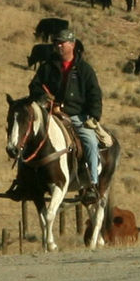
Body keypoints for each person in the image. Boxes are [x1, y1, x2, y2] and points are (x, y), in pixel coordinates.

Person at [28, 29, 102, 204]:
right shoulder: (47, 67)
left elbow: (94, 95)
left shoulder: (84, 69)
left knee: (90, 141)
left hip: (77, 115)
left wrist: (94, 116)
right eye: (56, 43)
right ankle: (23, 181)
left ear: (72, 44)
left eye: (62, 43)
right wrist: (43, 99)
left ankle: (92, 184)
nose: (58, 46)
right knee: (28, 137)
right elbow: (34, 86)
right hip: (51, 113)